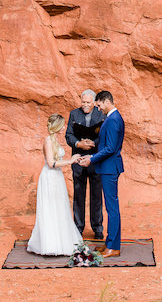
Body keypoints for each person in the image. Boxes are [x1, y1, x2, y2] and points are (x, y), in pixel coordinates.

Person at [26, 114, 84, 256]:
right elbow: (51, 164)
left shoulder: (55, 140)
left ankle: (62, 240)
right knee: (50, 208)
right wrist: (71, 161)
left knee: (60, 207)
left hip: (57, 177)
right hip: (49, 177)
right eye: (62, 125)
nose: (64, 127)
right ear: (57, 126)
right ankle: (50, 243)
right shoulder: (48, 141)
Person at [78, 90, 124, 258]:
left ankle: (113, 247)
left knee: (112, 209)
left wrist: (92, 159)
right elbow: (106, 143)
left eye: (98, 105)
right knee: (112, 208)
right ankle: (111, 243)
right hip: (109, 167)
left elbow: (111, 148)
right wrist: (94, 145)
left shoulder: (112, 119)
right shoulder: (113, 118)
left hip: (109, 168)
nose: (98, 109)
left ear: (105, 102)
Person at [65, 89, 105, 240]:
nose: (85, 105)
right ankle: (78, 228)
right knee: (78, 195)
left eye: (88, 102)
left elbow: (104, 136)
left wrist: (92, 144)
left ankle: (98, 228)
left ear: (94, 102)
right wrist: (78, 143)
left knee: (96, 196)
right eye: (83, 102)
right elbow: (68, 135)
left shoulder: (101, 114)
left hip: (95, 160)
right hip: (79, 160)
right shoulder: (74, 114)